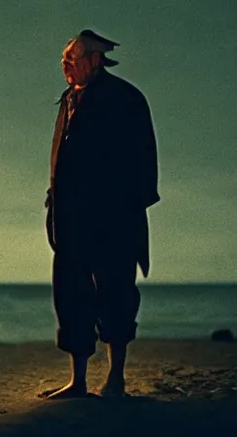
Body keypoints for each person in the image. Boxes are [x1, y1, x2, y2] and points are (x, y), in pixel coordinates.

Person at [41, 30, 159, 400]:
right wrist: (54, 202)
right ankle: (77, 381)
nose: (65, 65)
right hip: (71, 220)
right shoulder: (68, 101)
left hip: (113, 220)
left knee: (116, 296)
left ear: (94, 60)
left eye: (72, 59)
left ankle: (116, 379)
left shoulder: (125, 99)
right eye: (64, 59)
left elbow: (143, 161)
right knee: (72, 297)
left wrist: (126, 207)